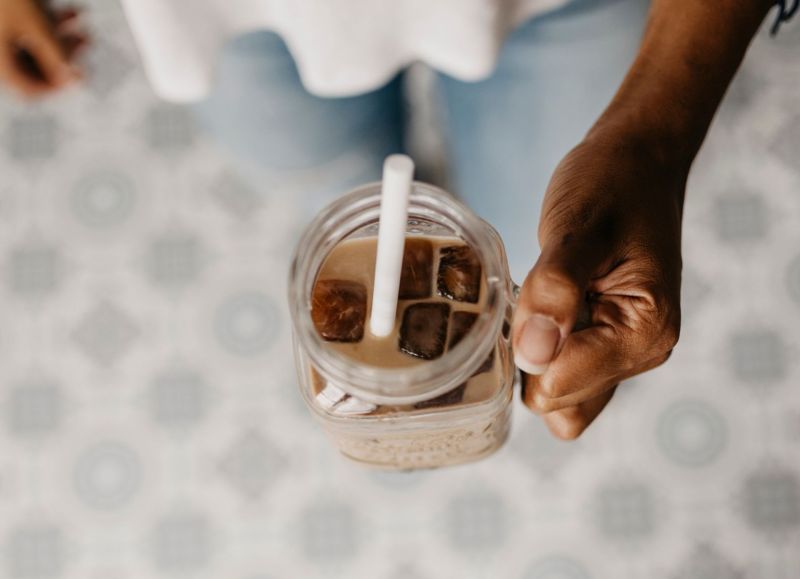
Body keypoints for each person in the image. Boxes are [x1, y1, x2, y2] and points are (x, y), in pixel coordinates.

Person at [0, 0, 793, 440]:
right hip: (232, 14)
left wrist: (653, 139)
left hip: (563, 5)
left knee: (528, 218)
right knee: (316, 178)